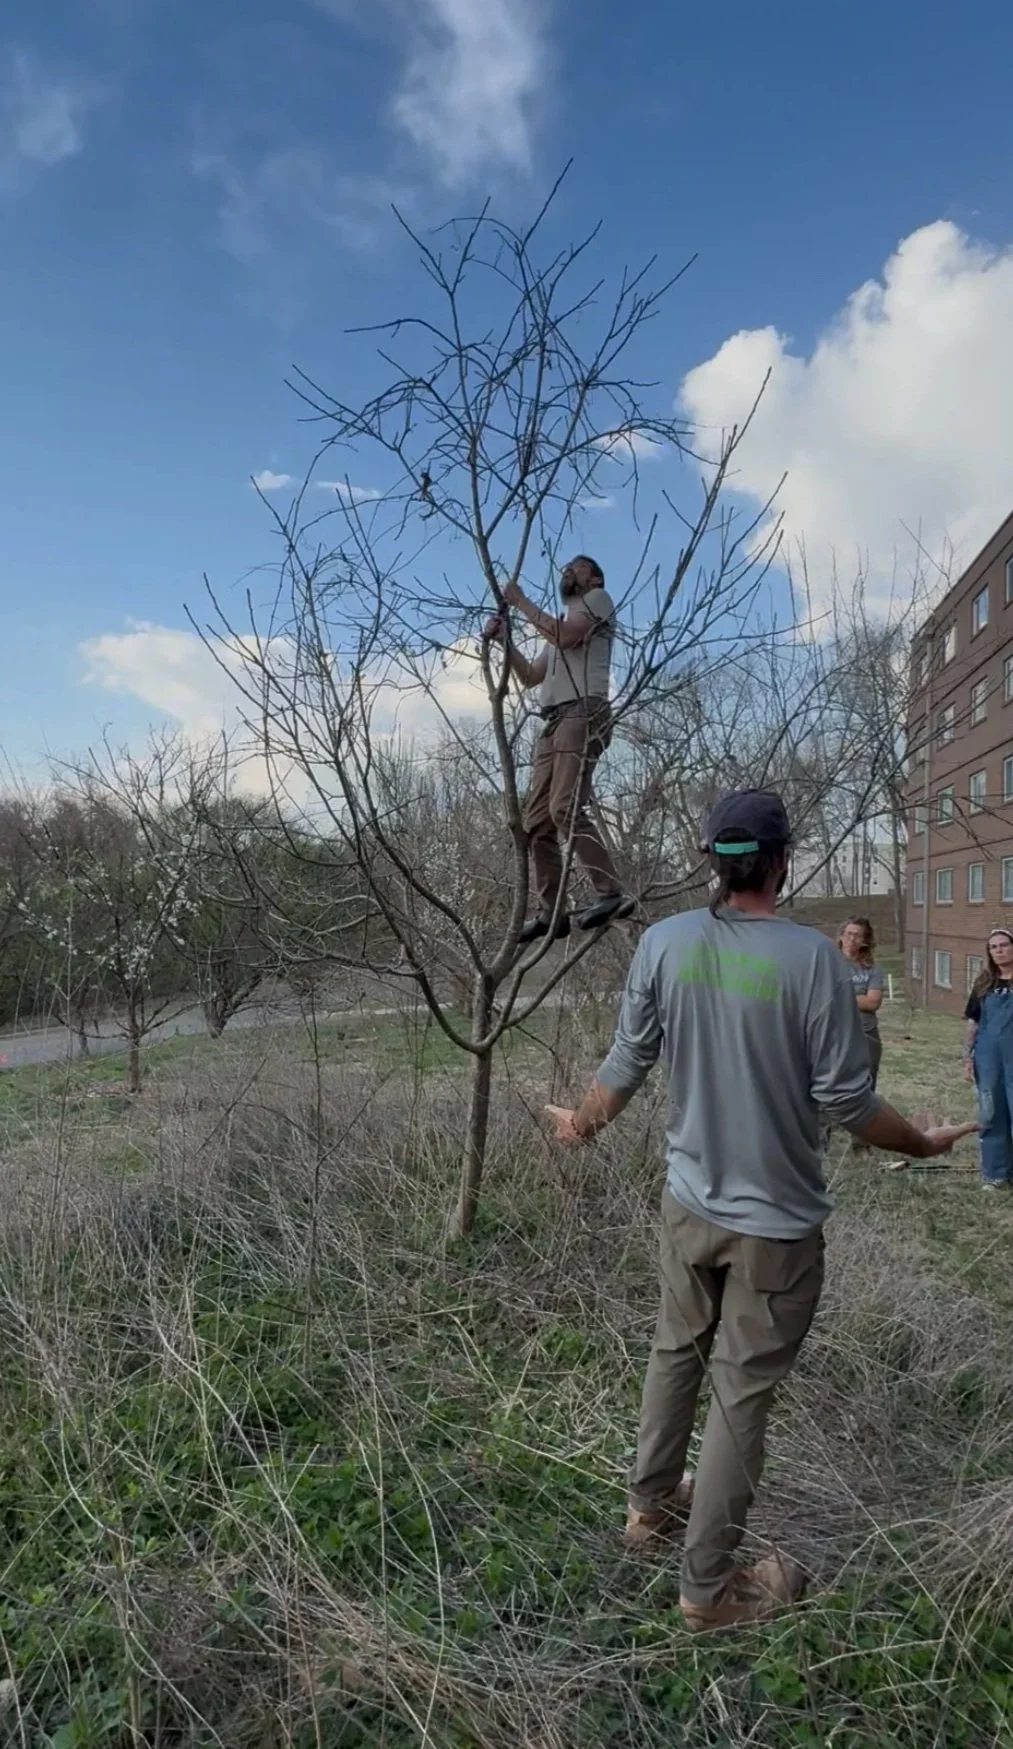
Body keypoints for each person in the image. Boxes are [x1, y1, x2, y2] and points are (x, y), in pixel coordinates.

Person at [544, 789, 975, 1632]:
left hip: (688, 1205)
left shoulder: (664, 942)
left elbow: (626, 1060)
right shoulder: (812, 959)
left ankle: (648, 1508)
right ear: (780, 860)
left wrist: (580, 1125)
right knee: (740, 1394)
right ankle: (708, 1590)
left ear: (713, 860)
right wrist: (922, 1143)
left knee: (675, 1350)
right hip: (776, 1226)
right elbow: (847, 1102)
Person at [483, 555, 633, 944]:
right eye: (565, 566)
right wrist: (504, 641)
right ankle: (552, 914)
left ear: (594, 578)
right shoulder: (558, 627)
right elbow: (530, 676)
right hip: (553, 722)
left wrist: (520, 602)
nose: (568, 569)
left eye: (577, 567)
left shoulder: (597, 601)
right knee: (536, 823)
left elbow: (567, 637)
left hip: (583, 711)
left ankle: (610, 892)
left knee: (564, 807)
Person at [963, 928, 1013, 1190]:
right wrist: (966, 1057)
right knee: (991, 1115)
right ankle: (996, 1174)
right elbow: (973, 1022)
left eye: (1003, 945)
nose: (999, 950)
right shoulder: (984, 983)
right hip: (989, 1060)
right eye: (993, 947)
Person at [837, 917, 884, 1089]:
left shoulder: (873, 968)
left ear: (865, 940)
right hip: (836, 1033)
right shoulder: (829, 963)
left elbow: (872, 1002)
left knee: (866, 1084)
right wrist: (859, 996)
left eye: (857, 935)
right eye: (848, 934)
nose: (852, 939)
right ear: (841, 936)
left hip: (866, 1034)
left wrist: (839, 996)